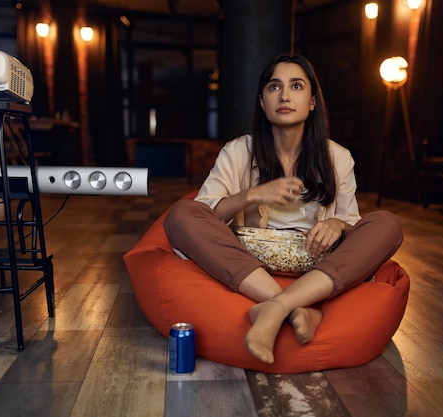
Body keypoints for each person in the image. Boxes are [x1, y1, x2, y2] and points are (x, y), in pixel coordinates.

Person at [163, 54, 403, 365]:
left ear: (312, 101)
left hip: (316, 262)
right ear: (262, 102)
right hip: (248, 258)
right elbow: (205, 213)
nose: (285, 95)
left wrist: (338, 227)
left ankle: (276, 307)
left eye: (297, 86)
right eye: (274, 87)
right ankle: (300, 307)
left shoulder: (338, 157)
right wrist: (251, 195)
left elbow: (352, 224)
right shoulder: (238, 151)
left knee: (388, 224)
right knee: (180, 215)